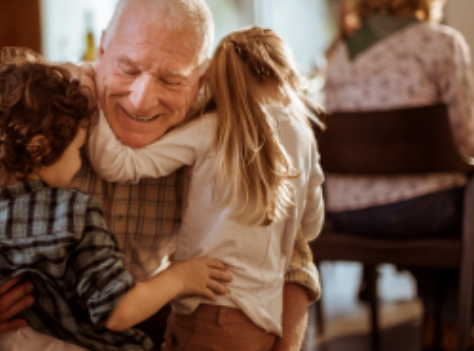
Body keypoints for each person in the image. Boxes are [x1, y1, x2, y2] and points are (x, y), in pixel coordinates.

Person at [0, 0, 321, 351]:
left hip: (145, 311)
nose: (142, 101)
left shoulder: (218, 126)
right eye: (128, 69)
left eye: (172, 80)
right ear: (104, 47)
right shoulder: (45, 102)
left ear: (201, 79)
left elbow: (291, 254)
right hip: (32, 325)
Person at [0, 51, 233, 351]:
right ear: (41, 149)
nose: (80, 160)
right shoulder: (72, 214)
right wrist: (181, 277)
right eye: (78, 149)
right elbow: (116, 311)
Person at [87, 27, 325, 351]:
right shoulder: (304, 137)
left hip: (208, 310)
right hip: (265, 318)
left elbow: (115, 164)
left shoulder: (210, 128)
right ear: (286, 74)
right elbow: (310, 227)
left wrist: (90, 92)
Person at [323, 0, 474, 351]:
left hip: (347, 213)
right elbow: (466, 140)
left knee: (451, 201)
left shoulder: (341, 54)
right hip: (419, 212)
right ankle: (456, 326)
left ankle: (437, 322)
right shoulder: (441, 42)